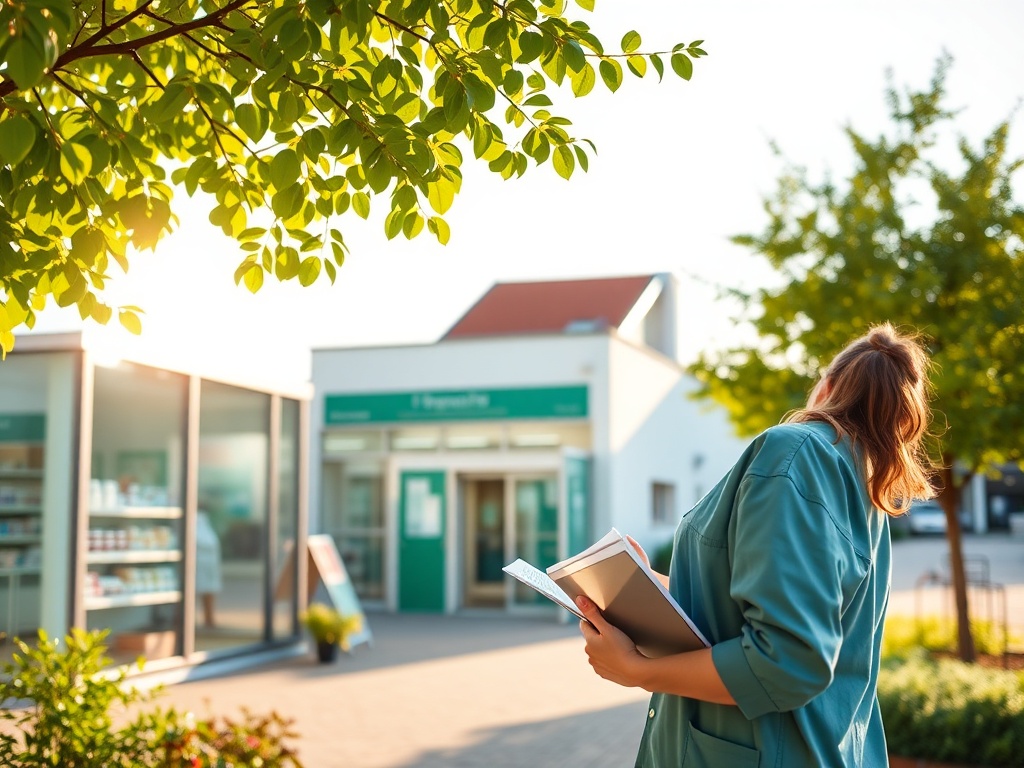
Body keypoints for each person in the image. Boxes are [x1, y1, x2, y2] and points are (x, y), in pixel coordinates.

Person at [575, 323, 935, 768]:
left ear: (826, 387)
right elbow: (756, 605)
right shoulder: (860, 487)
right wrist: (649, 587)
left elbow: (787, 661)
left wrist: (637, 671)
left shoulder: (797, 453)